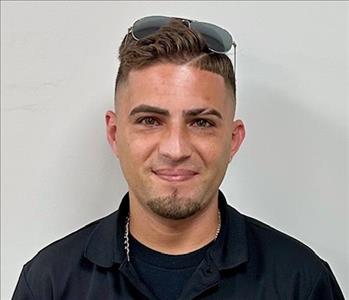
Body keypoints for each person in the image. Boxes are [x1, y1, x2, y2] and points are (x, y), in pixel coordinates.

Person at [12, 16, 344, 300]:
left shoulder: (300, 282)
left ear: (233, 140)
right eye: (150, 121)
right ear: (115, 134)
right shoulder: (50, 283)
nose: (175, 149)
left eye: (201, 122)